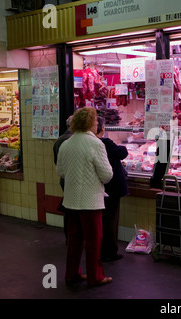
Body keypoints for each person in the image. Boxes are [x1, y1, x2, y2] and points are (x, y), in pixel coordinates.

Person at [56, 107, 113, 287]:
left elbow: (61, 172)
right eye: (95, 121)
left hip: (71, 200)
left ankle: (71, 274)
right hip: (90, 201)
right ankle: (95, 277)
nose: (97, 123)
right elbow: (106, 175)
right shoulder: (96, 144)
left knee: (74, 239)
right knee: (94, 241)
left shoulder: (66, 143)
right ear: (89, 123)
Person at [95, 116, 129, 262]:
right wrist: (122, 146)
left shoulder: (91, 143)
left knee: (102, 219)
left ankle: (101, 249)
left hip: (99, 187)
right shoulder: (104, 142)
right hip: (112, 187)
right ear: (102, 128)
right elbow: (122, 153)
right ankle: (110, 251)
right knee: (111, 219)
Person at [53, 115, 73, 242]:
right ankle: (73, 238)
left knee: (68, 208)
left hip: (64, 179)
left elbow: (57, 163)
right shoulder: (71, 140)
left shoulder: (59, 140)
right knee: (72, 210)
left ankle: (69, 237)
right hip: (73, 180)